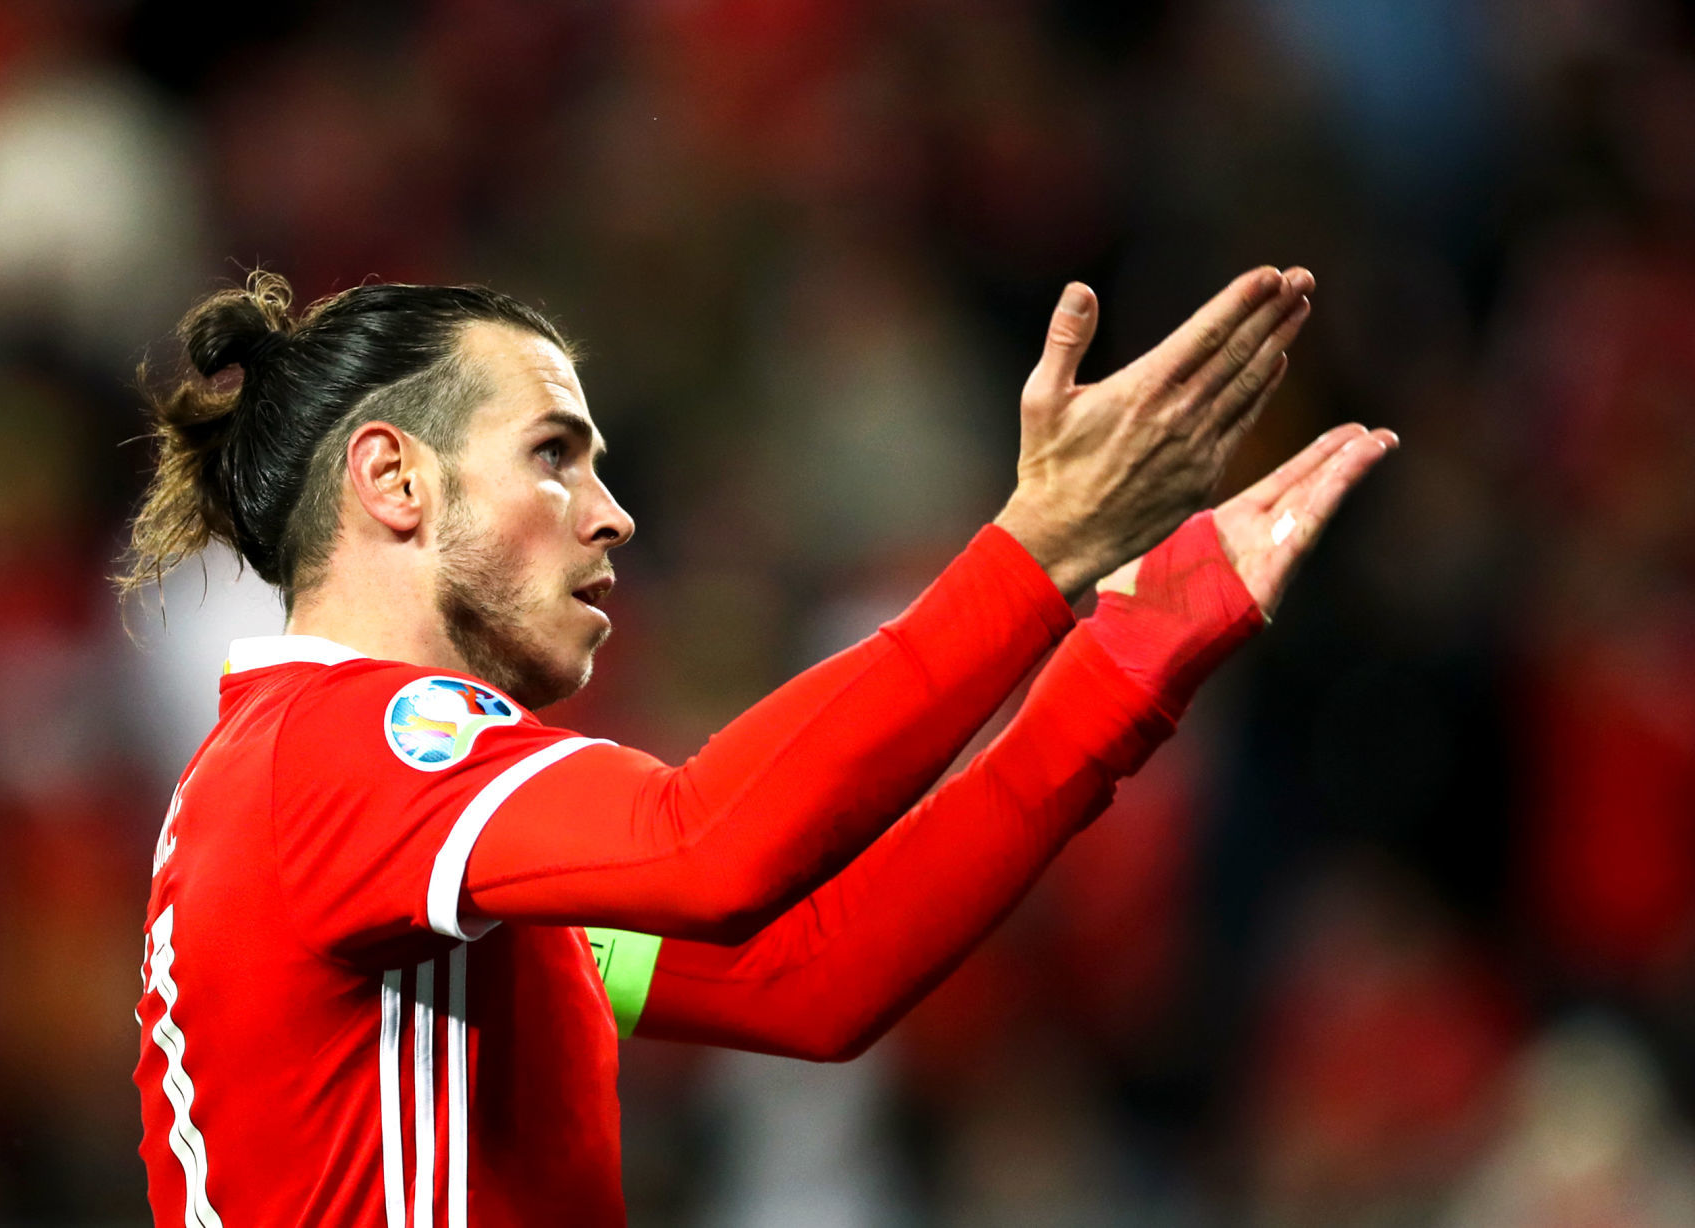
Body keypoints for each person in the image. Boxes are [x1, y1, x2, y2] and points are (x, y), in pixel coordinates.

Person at [123, 267, 1395, 1228]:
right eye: (553, 455)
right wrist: (1036, 549)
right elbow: (707, 844)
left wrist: (1132, 651)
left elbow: (804, 977)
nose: (612, 516)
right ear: (395, 482)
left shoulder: (419, 857)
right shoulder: (339, 752)